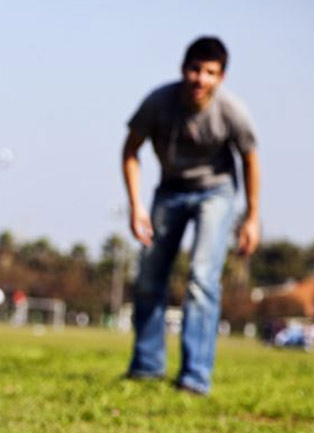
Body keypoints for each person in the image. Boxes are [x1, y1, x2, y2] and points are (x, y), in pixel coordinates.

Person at [121, 36, 260, 395]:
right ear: (184, 69)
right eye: (195, 69)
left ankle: (195, 376)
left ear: (221, 77)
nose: (201, 79)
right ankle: (147, 366)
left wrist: (251, 216)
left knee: (201, 277)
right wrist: (136, 206)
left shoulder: (231, 111)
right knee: (150, 275)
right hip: (169, 190)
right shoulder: (159, 103)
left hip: (216, 192)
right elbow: (130, 151)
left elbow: (250, 159)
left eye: (210, 72)